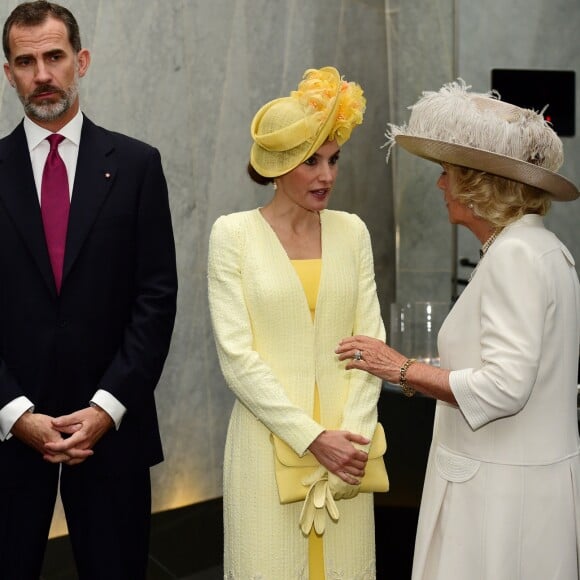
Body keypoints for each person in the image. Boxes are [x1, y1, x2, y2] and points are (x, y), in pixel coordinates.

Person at [336, 80, 580, 579]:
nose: (439, 185)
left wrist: (400, 368)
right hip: (519, 490)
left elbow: (504, 388)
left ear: (478, 185)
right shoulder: (544, 248)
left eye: (447, 174)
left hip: (499, 501)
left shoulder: (515, 255)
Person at [0, 2, 177, 578]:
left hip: (111, 433)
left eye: (54, 56)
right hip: (6, 436)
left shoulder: (136, 165)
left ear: (82, 61)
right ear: (9, 73)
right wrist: (14, 412)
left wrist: (107, 407)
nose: (42, 74)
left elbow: (155, 299)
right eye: (26, 61)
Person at [208, 66, 386, 579]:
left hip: (349, 456)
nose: (326, 176)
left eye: (333, 160)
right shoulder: (233, 235)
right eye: (311, 162)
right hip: (268, 447)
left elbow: (369, 344)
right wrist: (311, 438)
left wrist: (350, 439)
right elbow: (237, 359)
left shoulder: (352, 232)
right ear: (278, 164)